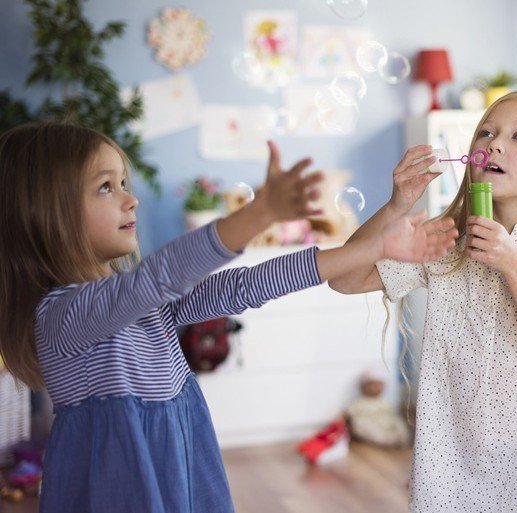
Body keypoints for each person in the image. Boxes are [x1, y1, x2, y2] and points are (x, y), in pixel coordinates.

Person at [0, 121, 457, 513]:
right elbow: (158, 277)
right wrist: (260, 213)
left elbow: (245, 286)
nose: (130, 200)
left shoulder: (141, 309)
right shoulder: (64, 316)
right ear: (47, 214)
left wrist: (373, 248)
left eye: (124, 183)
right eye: (105, 187)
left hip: (177, 475)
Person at [330, 92, 517, 512]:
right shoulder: (446, 240)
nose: (493, 144)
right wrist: (397, 206)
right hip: (452, 477)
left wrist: (513, 263)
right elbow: (343, 277)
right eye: (486, 132)